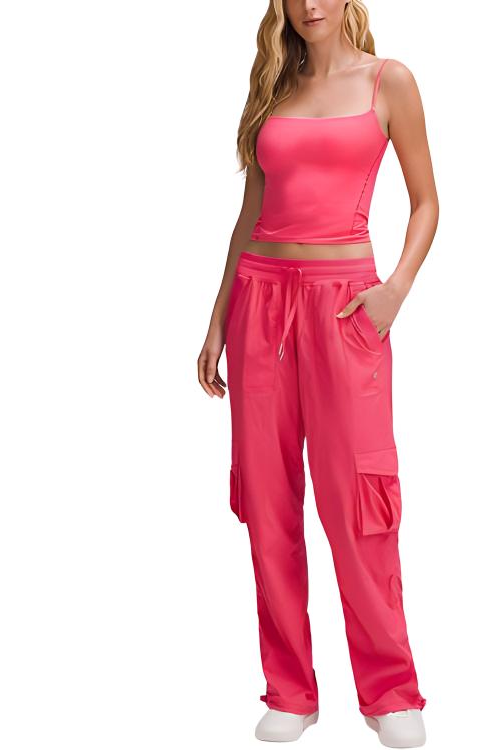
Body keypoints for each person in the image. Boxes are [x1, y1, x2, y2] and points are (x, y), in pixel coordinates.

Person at [198, 1, 438, 746]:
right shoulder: (272, 86)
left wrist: (395, 289)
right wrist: (217, 319)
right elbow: (251, 212)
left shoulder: (388, 81)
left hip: (346, 310)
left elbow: (427, 201)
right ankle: (290, 691)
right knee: (267, 499)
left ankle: (390, 693)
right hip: (258, 302)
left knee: (358, 499)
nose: (310, 6)